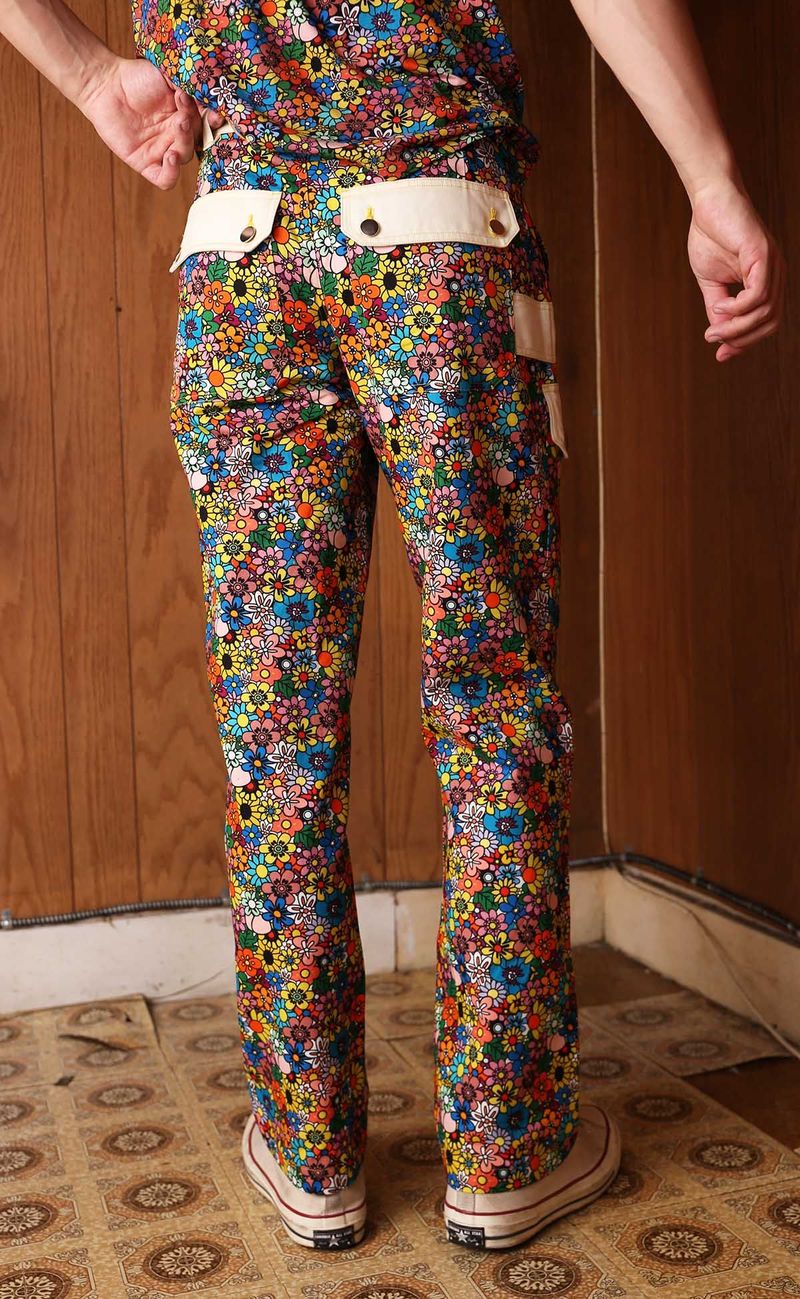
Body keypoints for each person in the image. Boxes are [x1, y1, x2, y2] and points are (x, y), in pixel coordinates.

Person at [2, 0, 785, 1255]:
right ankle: (509, 1149)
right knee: (492, 708)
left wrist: (97, 79)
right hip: (444, 256)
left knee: (274, 741)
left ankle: (310, 1152)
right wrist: (711, 179)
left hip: (241, 268)